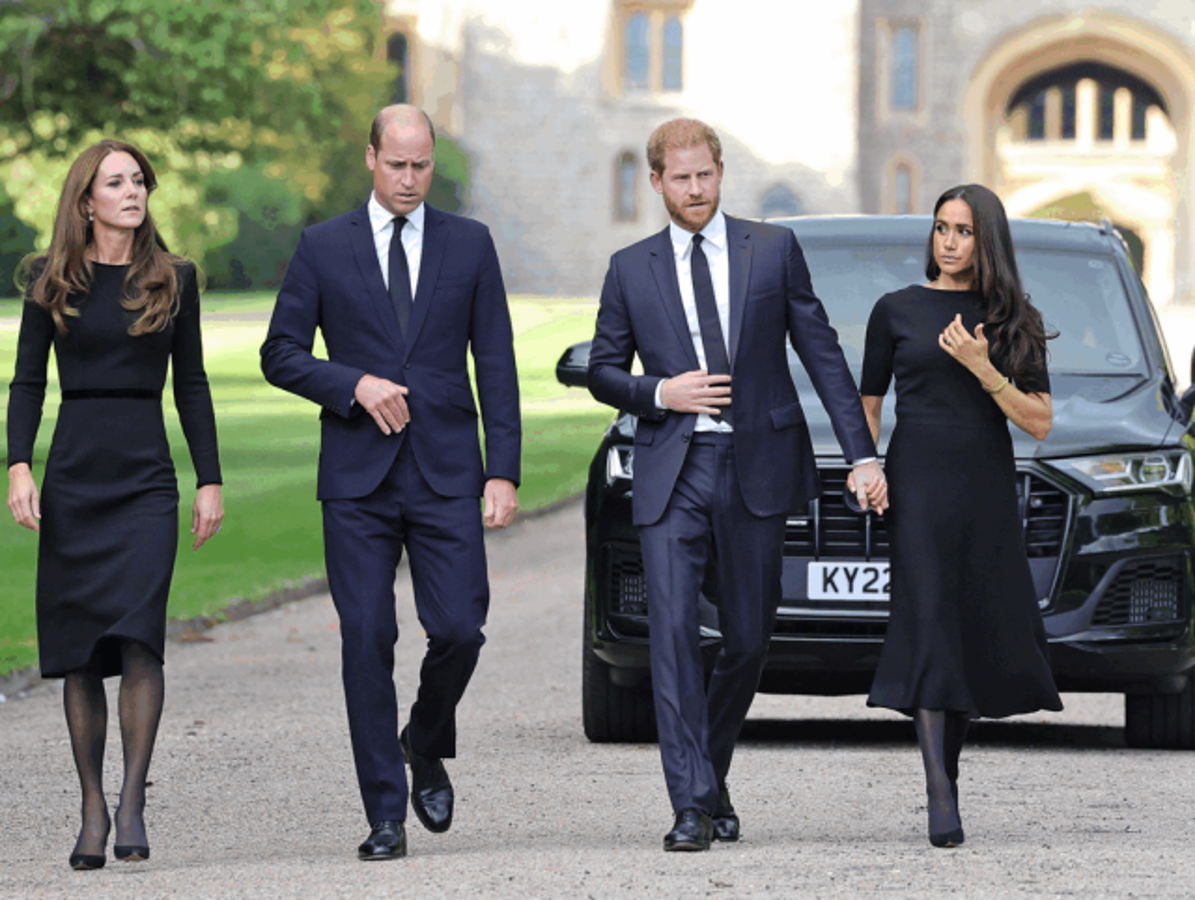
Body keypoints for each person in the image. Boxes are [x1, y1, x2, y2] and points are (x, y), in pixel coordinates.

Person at [587, 118, 887, 852]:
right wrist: (661, 393)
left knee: (749, 640)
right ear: (655, 182)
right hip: (673, 469)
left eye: (704, 175)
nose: (694, 190)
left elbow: (821, 354)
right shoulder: (629, 268)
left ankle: (709, 772)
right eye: (680, 179)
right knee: (672, 635)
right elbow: (602, 371)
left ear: (720, 173)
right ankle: (690, 805)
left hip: (756, 465)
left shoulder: (772, 250)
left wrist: (862, 455)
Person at [260, 104, 520, 862]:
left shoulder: (469, 244)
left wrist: (502, 470)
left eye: (422, 165)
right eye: (397, 164)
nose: (410, 179)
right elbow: (281, 353)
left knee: (460, 628)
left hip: (446, 470)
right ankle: (383, 814)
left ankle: (424, 739)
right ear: (371, 158)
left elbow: (496, 362)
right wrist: (352, 384)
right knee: (368, 637)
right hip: (356, 479)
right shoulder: (322, 247)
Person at [6, 140, 224, 870]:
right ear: (86, 199)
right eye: (116, 182)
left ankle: (131, 801)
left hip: (145, 481)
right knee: (79, 652)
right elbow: (27, 383)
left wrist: (210, 479)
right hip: (75, 477)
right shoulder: (49, 281)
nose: (132, 192)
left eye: (139, 181)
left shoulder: (173, 278)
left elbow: (191, 384)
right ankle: (92, 806)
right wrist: (19, 465)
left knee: (139, 637)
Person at [861, 184, 1063, 848]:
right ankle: (939, 794)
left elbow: (1039, 422)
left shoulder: (1014, 320)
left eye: (964, 231)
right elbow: (868, 404)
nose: (948, 242)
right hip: (916, 481)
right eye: (941, 228)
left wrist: (983, 368)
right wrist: (867, 467)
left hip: (983, 484)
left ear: (986, 241)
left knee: (968, 624)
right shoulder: (894, 309)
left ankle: (946, 771)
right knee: (926, 620)